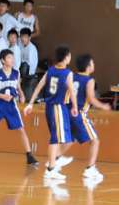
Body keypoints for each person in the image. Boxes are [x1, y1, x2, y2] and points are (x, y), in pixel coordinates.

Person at [51, 53, 110, 182]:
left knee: (70, 140)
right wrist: (103, 106)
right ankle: (90, 168)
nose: (94, 65)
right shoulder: (89, 80)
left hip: (67, 112)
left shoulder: (71, 76)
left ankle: (52, 163)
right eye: (92, 63)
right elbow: (91, 99)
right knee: (95, 140)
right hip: (79, 113)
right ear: (88, 66)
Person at [24, 45, 78, 181]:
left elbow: (38, 87)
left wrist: (30, 103)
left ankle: (54, 160)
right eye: (69, 56)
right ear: (66, 57)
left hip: (50, 107)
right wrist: (75, 107)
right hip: (58, 107)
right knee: (56, 138)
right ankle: (51, 168)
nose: (70, 58)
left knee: (64, 138)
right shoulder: (67, 73)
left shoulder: (50, 71)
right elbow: (72, 91)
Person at [19, 28, 39, 100]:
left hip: (30, 76)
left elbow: (31, 66)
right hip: (22, 74)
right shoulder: (20, 46)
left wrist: (23, 77)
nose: (23, 39)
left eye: (25, 37)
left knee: (28, 98)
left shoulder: (32, 48)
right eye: (21, 36)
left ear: (29, 38)